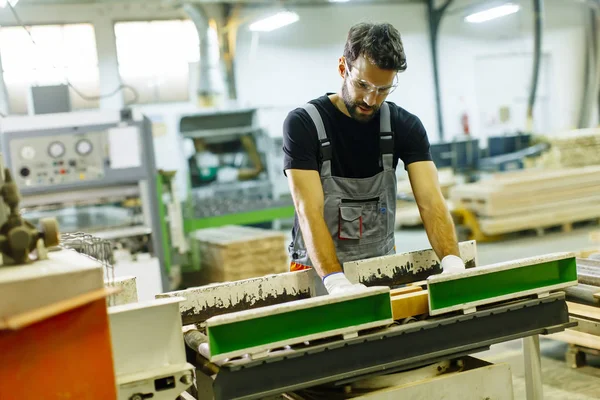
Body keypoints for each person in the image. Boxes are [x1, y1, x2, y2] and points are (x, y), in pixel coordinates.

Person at [283, 22, 464, 295]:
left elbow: (430, 200)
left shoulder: (405, 126)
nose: (370, 99)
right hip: (317, 277)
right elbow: (309, 211)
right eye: (362, 85)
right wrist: (335, 281)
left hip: (380, 271)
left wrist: (452, 263)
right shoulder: (304, 125)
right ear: (343, 68)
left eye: (383, 89)